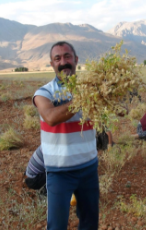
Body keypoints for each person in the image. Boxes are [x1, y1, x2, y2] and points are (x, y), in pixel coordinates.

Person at [33, 41, 99, 230]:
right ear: (52, 64)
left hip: (89, 168)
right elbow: (51, 117)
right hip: (59, 172)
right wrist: (84, 97)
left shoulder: (92, 88)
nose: (63, 62)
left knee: (89, 223)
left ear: (76, 59)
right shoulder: (44, 93)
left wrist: (110, 93)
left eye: (67, 56)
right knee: (57, 226)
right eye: (57, 58)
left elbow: (118, 112)